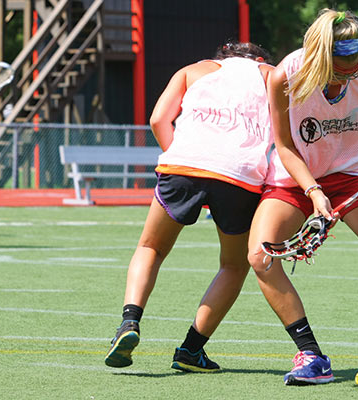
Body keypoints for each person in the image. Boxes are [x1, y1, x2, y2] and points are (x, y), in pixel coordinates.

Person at [247, 9, 358, 385]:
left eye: (357, 62)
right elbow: (284, 146)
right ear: (319, 55)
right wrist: (313, 191)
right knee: (261, 256)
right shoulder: (286, 77)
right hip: (298, 176)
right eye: (342, 66)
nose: (353, 71)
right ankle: (311, 354)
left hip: (356, 172)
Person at [104, 41, 273, 372]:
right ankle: (191, 350)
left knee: (151, 247)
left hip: (183, 166)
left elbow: (158, 120)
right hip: (239, 175)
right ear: (259, 59)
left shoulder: (194, 69)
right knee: (234, 266)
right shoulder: (271, 74)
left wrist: (179, 156)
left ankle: (129, 322)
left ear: (221, 56)